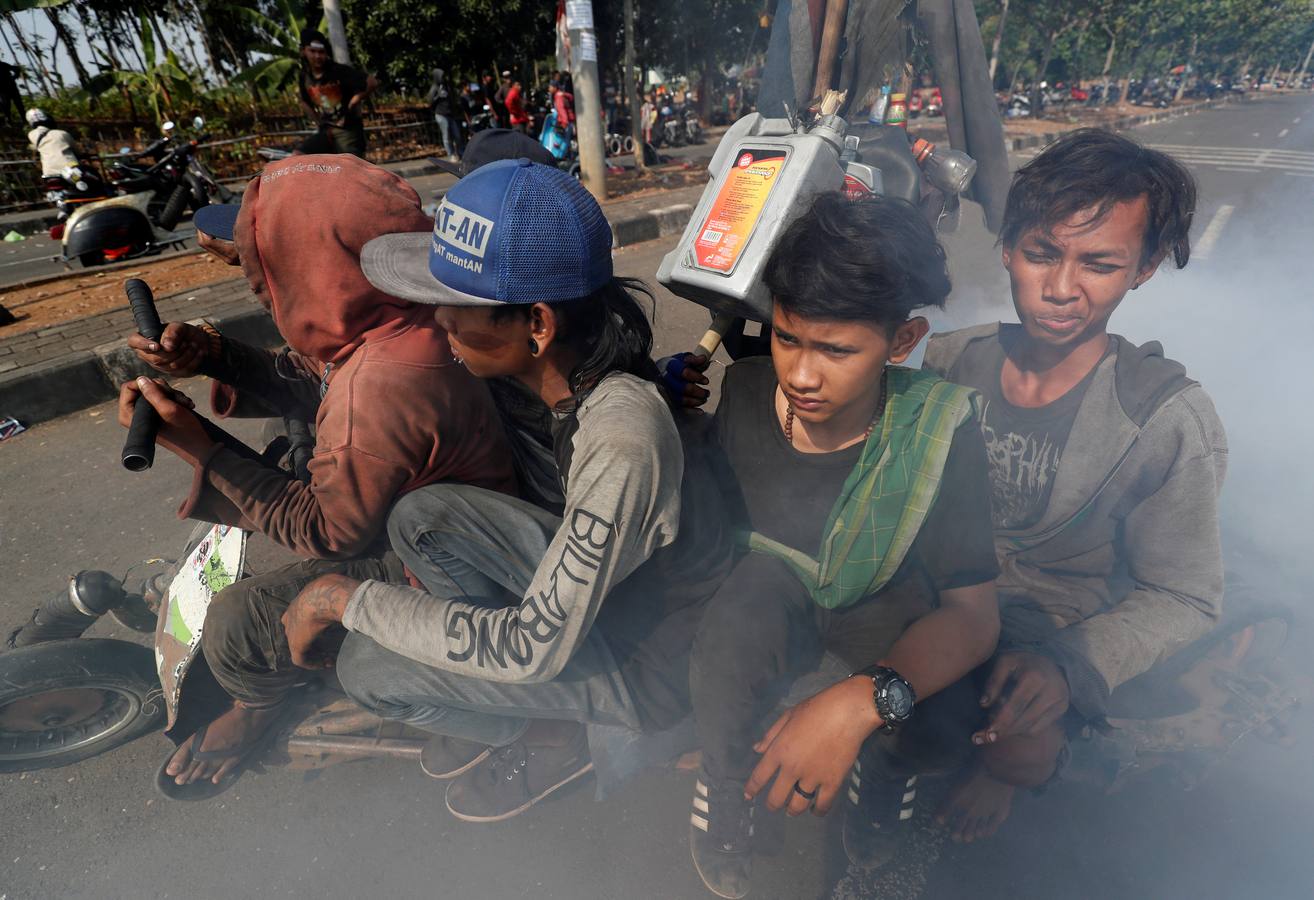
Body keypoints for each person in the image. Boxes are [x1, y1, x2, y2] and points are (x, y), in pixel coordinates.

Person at [277, 158, 734, 824]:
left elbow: (529, 646)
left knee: (368, 668)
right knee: (422, 518)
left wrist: (339, 598)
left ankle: (553, 731)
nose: (438, 321)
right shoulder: (571, 377)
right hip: (621, 599)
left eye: (456, 306)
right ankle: (524, 707)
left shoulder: (621, 438)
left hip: (658, 666)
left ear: (539, 325)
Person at [118, 155, 516, 796]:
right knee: (283, 461)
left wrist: (198, 444)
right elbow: (318, 376)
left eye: (262, 260)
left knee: (237, 624)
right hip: (451, 515)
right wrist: (214, 355)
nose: (251, 273)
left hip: (446, 569)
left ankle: (259, 706)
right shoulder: (397, 315)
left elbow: (328, 532)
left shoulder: (382, 384)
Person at [688, 193, 1000, 899]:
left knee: (943, 711)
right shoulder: (741, 393)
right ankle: (725, 780)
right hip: (771, 607)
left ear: (901, 340)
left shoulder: (937, 431)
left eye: (836, 350)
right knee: (743, 605)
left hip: (878, 611)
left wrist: (858, 704)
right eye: (788, 338)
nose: (801, 375)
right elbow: (703, 548)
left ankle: (883, 782)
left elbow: (974, 617)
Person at [924, 129, 1225, 843]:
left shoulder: (1165, 417)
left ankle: (1051, 757)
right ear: (1007, 248)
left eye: (1098, 263)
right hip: (937, 597)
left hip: (1049, 624)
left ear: (1144, 269)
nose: (1061, 289)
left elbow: (1185, 595)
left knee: (1020, 751)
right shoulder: (947, 360)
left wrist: (1072, 668)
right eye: (1040, 254)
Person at [296, 30, 375, 157]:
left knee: (350, 168)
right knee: (298, 156)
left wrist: (354, 101)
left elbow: (371, 82)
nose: (317, 56)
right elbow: (304, 101)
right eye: (312, 51)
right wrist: (317, 120)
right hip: (326, 131)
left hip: (347, 131)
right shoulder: (304, 77)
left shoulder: (338, 71)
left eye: (321, 52)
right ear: (303, 51)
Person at [428, 67, 462, 161]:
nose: (443, 78)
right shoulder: (434, 88)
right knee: (446, 136)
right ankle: (451, 154)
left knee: (457, 135)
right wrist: (438, 96)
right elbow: (429, 101)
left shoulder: (446, 86)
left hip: (450, 114)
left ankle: (460, 152)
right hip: (441, 114)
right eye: (441, 76)